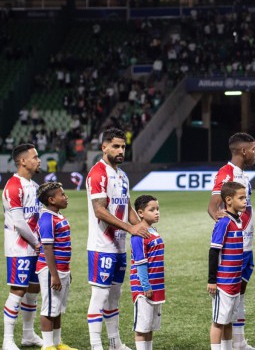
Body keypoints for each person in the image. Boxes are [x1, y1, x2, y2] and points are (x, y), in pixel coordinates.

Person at [86, 128, 150, 350]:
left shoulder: (122, 175)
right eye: (115, 146)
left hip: (119, 247)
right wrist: (130, 228)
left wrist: (141, 227)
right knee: (100, 296)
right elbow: (99, 211)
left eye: (123, 146)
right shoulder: (98, 174)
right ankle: (96, 346)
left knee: (115, 296)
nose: (121, 150)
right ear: (104, 147)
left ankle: (114, 343)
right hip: (101, 246)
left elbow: (127, 205)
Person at [207, 133, 255, 350]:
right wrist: (220, 220)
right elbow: (213, 205)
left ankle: (239, 342)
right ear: (243, 151)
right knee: (228, 299)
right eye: (254, 149)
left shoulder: (243, 175)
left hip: (246, 246)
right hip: (233, 250)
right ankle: (233, 343)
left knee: (239, 296)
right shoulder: (226, 173)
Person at [2, 143, 44, 350]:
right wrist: (37, 243)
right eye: (35, 157)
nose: (39, 160)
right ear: (22, 161)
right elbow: (19, 222)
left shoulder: (35, 187)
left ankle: (28, 335)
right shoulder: (13, 186)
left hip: (35, 248)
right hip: (19, 248)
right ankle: (7, 340)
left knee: (33, 289)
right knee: (18, 290)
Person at [36, 181, 76, 350]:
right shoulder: (47, 219)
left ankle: (57, 342)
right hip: (51, 270)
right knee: (48, 307)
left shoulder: (58, 216)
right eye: (62, 195)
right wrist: (54, 275)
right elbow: (47, 247)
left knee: (57, 307)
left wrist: (66, 271)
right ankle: (47, 345)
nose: (66, 197)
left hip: (62, 270)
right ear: (51, 200)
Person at [208, 182, 248, 350]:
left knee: (229, 320)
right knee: (218, 321)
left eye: (245, 197)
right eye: (241, 198)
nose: (245, 201)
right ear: (229, 200)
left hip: (235, 283)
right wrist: (212, 280)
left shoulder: (237, 220)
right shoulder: (224, 222)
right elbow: (213, 252)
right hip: (223, 283)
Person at [129, 195, 166, 350]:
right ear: (141, 213)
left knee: (150, 326)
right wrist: (145, 286)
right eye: (152, 209)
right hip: (144, 288)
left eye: (157, 209)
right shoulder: (139, 235)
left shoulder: (153, 230)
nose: (156, 212)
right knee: (142, 327)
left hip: (156, 286)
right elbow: (140, 262)